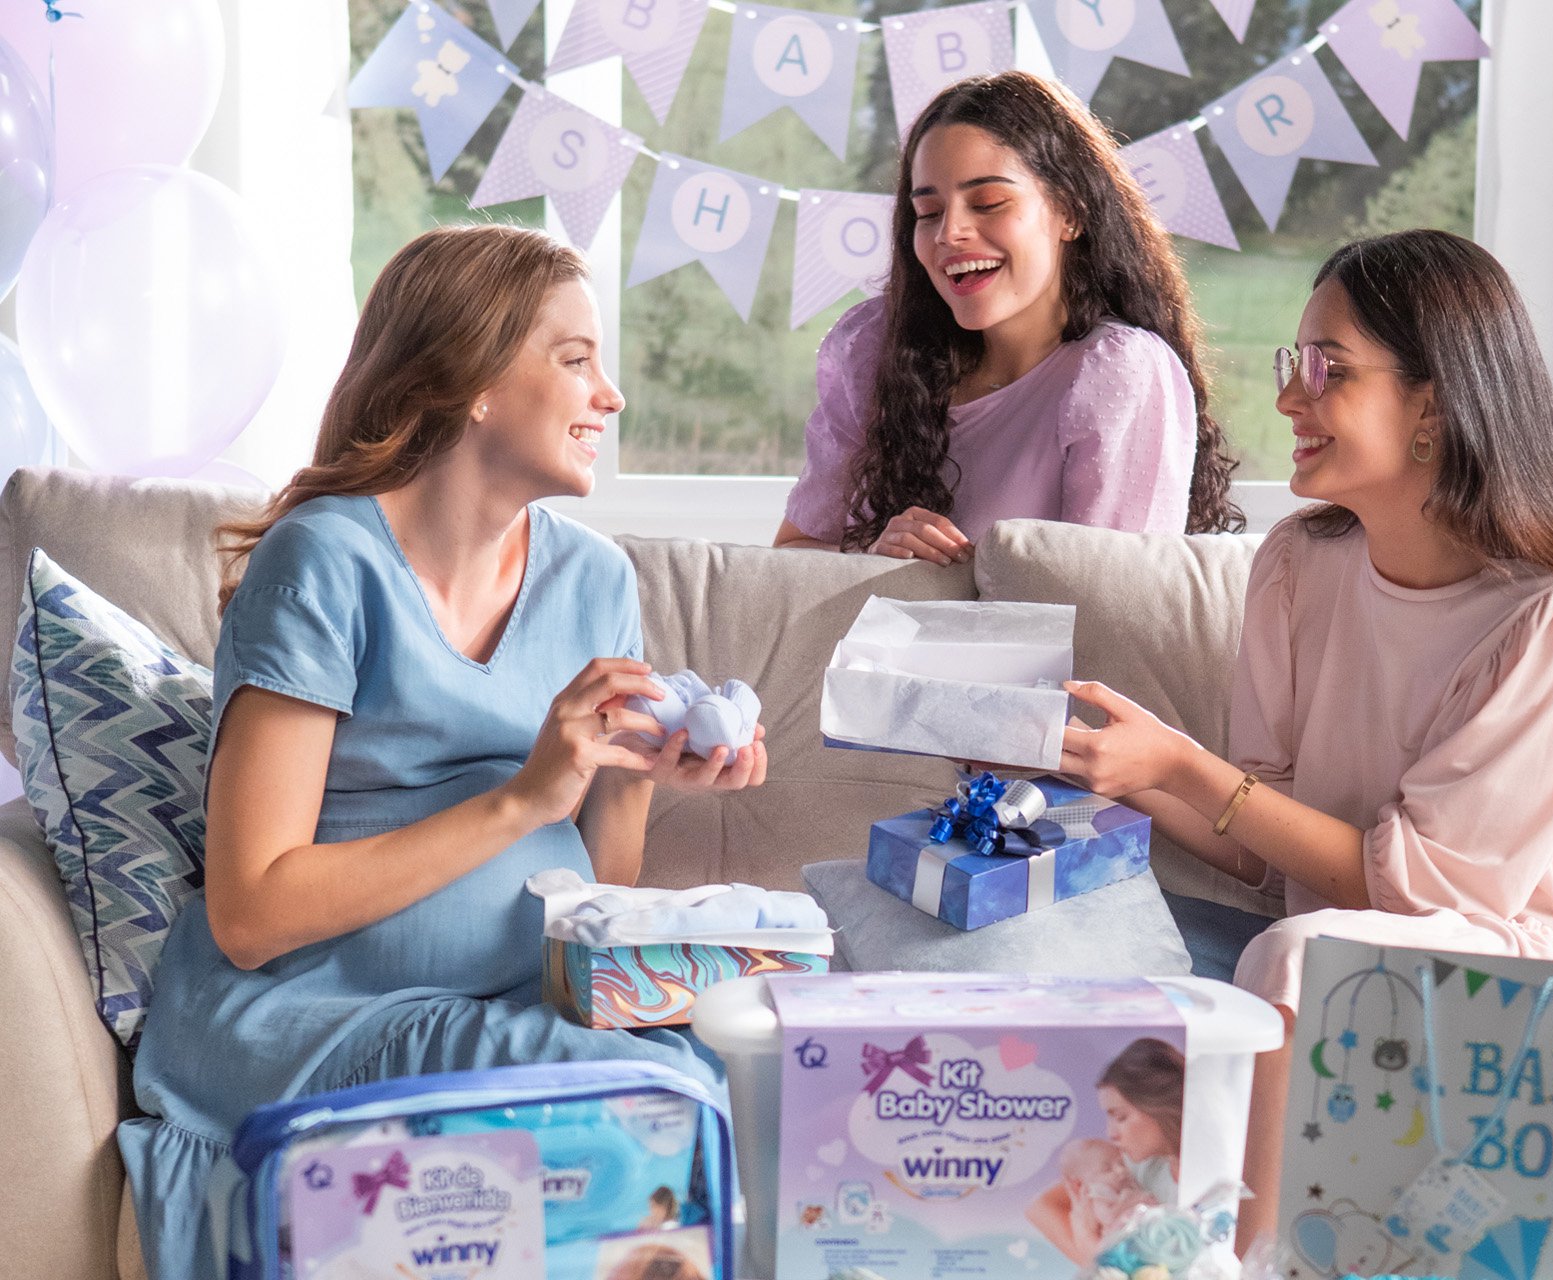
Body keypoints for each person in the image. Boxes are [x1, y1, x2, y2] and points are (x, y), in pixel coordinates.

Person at [1051, 230, 1553, 1247]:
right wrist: (1116, 764)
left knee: (1296, 955)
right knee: (1092, 946)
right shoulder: (1295, 564)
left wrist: (1189, 766)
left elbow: (1429, 885)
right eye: (1295, 363)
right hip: (1366, 949)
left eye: (1325, 366)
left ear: (1435, 404)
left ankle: (1254, 1262)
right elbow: (1258, 844)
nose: (1289, 396)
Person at [117, 224, 767, 1279]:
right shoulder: (324, 561)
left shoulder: (596, 580)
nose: (612, 395)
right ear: (471, 378)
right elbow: (249, 911)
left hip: (516, 998)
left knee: (745, 1072)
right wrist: (521, 799)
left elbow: (596, 887)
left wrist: (638, 776)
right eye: (576, 359)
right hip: (319, 1014)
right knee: (644, 1108)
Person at [774, 71, 1241, 563]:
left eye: (988, 203)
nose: (949, 233)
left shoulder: (1120, 372)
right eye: (928, 212)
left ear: (1070, 212)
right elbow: (792, 554)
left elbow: (1109, 612)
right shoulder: (872, 349)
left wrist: (937, 584)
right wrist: (873, 557)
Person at [1028, 1037, 1185, 1265]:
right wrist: (1094, 1256)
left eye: (1120, 1117)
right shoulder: (1132, 1165)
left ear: (1160, 1107)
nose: (1110, 1133)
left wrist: (1092, 1249)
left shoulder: (1206, 1180)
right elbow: (1040, 1208)